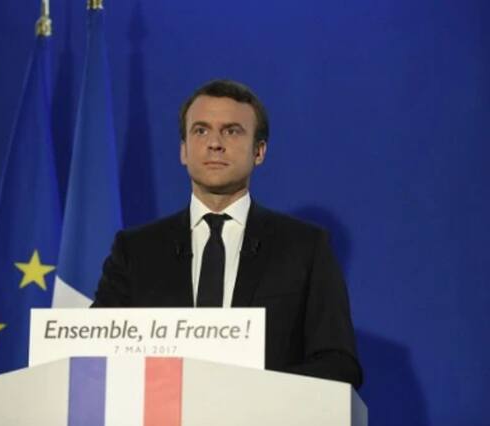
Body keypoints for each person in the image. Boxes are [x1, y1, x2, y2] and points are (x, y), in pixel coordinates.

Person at [92, 79, 362, 388]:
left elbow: (339, 365)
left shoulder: (305, 248)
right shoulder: (136, 250)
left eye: (231, 131)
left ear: (259, 151)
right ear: (183, 150)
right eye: (200, 131)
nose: (214, 143)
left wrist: (247, 390)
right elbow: (93, 353)